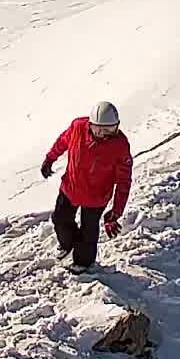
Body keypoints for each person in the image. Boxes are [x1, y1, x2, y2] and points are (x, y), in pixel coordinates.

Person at [40, 101, 133, 273]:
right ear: (90, 125)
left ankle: (83, 262)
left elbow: (124, 181)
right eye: (99, 129)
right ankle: (69, 245)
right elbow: (62, 141)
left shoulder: (120, 146)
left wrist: (115, 213)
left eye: (110, 129)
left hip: (96, 196)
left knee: (89, 230)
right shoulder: (78, 127)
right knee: (60, 219)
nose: (103, 134)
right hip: (71, 187)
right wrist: (50, 158)